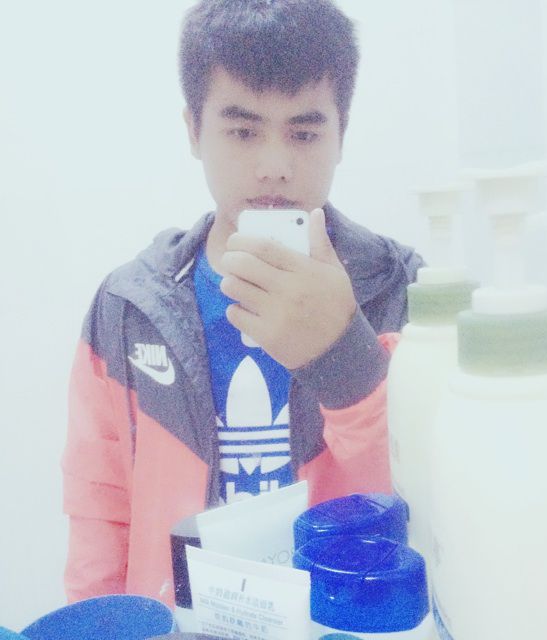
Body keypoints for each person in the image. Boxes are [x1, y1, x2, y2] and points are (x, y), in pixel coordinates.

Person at [62, 0, 423, 607]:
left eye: (304, 132)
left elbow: (435, 511)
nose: (274, 166)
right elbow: (100, 512)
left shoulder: (405, 292)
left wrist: (345, 358)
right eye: (243, 130)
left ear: (341, 134)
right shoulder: (127, 307)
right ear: (193, 131)